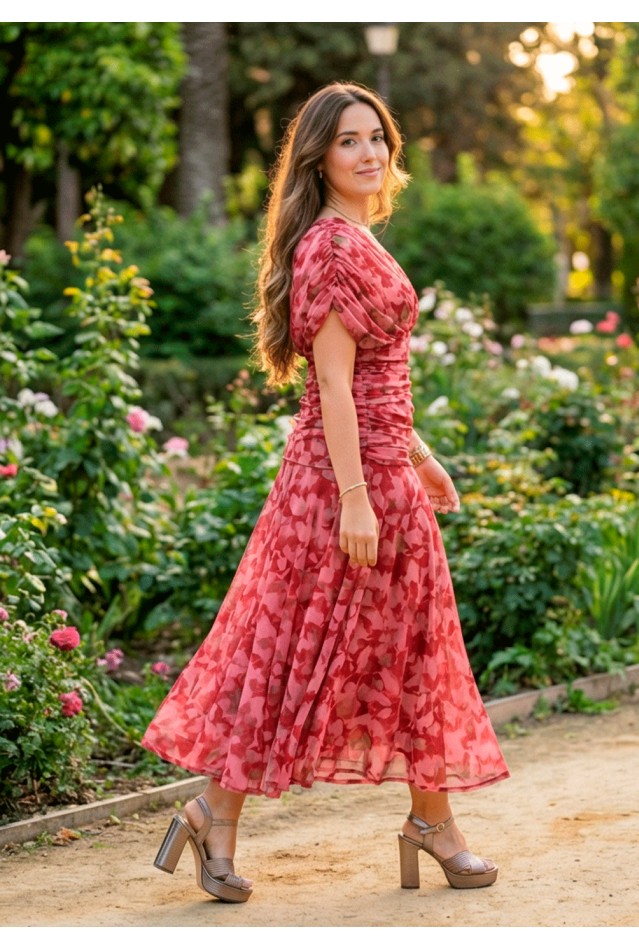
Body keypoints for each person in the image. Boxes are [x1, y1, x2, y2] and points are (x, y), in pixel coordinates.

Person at [141, 81, 509, 904]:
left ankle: (426, 822)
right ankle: (215, 814)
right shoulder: (333, 248)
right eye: (349, 140)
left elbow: (379, 382)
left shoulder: (352, 236)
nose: (370, 152)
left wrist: (419, 455)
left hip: (378, 469)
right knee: (287, 650)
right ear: (318, 156)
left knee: (405, 648)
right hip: (343, 481)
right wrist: (354, 496)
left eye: (378, 137)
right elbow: (333, 388)